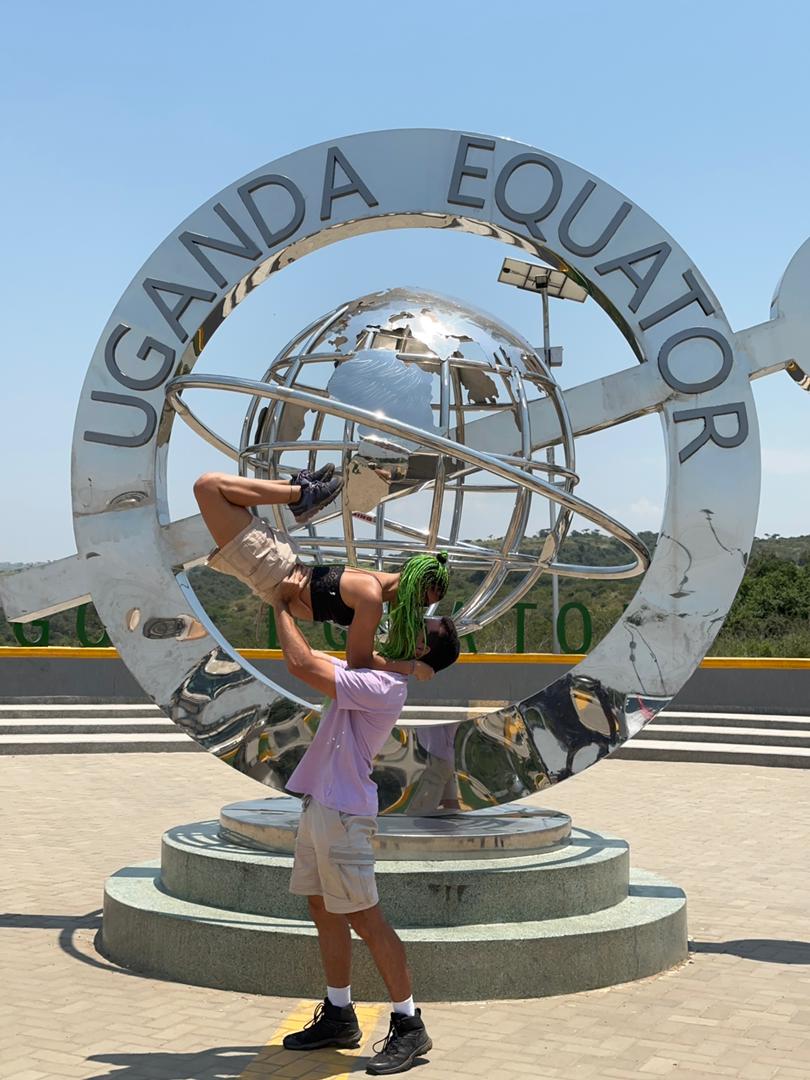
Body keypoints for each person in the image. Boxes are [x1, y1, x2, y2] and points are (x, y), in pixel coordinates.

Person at [271, 588, 460, 1075]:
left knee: (366, 919)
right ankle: (338, 1014)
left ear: (421, 649)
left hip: (343, 815)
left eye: (420, 630)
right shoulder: (377, 673)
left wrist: (279, 606)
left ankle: (409, 1025)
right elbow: (324, 656)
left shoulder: (383, 686)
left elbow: (299, 664)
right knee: (322, 907)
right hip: (322, 805)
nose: (409, 626)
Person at [193, 468, 452, 670]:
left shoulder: (372, 597)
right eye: (421, 598)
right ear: (414, 579)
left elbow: (358, 662)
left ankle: (300, 494)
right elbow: (360, 661)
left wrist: (412, 667)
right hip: (275, 564)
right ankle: (300, 491)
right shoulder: (371, 590)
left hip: (272, 573)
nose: (418, 607)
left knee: (210, 488)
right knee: (216, 490)